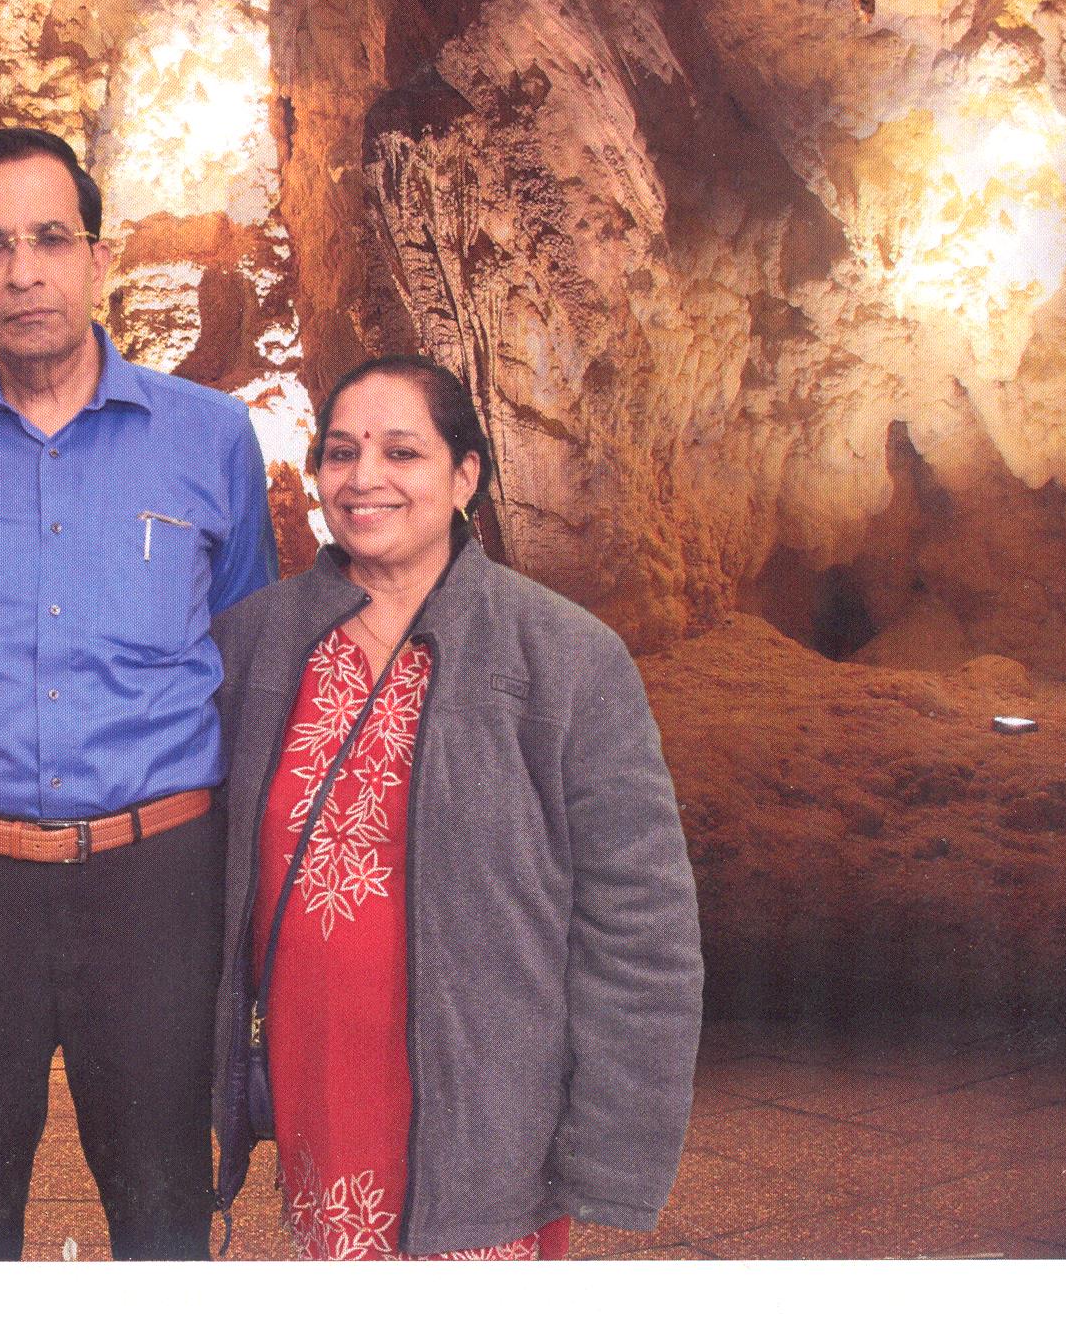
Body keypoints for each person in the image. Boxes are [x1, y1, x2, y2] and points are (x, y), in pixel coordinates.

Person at [0, 127, 280, 1260]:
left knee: (161, 1213)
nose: (24, 272)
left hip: (157, 882)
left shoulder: (210, 439)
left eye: (49, 238)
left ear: (97, 256)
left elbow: (249, 662)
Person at [209, 353, 702, 1260]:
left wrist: (611, 1149)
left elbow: (642, 919)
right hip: (322, 1090)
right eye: (342, 452)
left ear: (466, 475)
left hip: (489, 1111)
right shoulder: (256, 643)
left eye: (402, 452)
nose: (365, 478)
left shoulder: (563, 656)